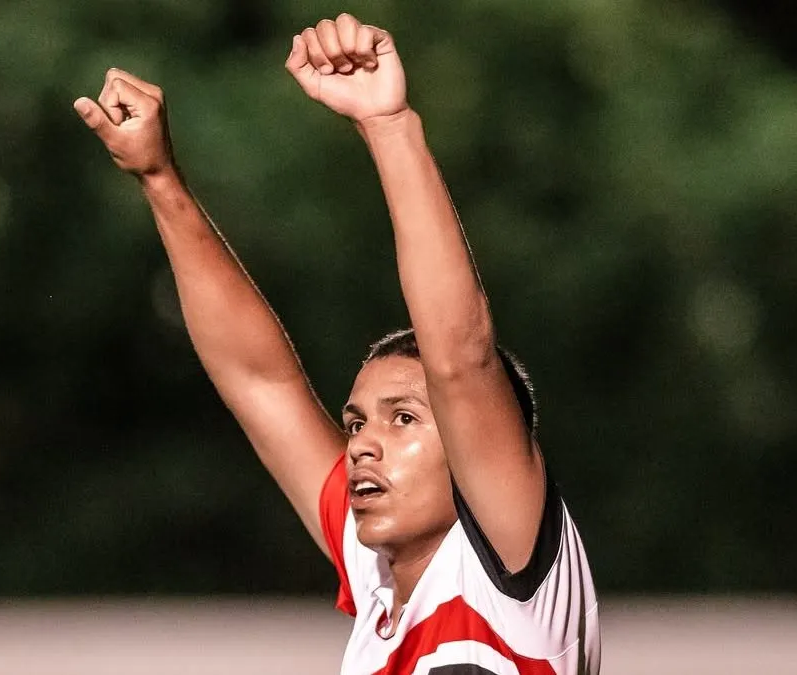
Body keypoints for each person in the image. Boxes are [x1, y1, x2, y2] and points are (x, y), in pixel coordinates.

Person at [74, 12, 599, 675]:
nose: (362, 444)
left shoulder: (509, 555)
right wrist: (160, 181)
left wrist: (388, 125)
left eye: (403, 417)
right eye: (356, 422)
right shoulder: (378, 572)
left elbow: (461, 359)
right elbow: (260, 381)